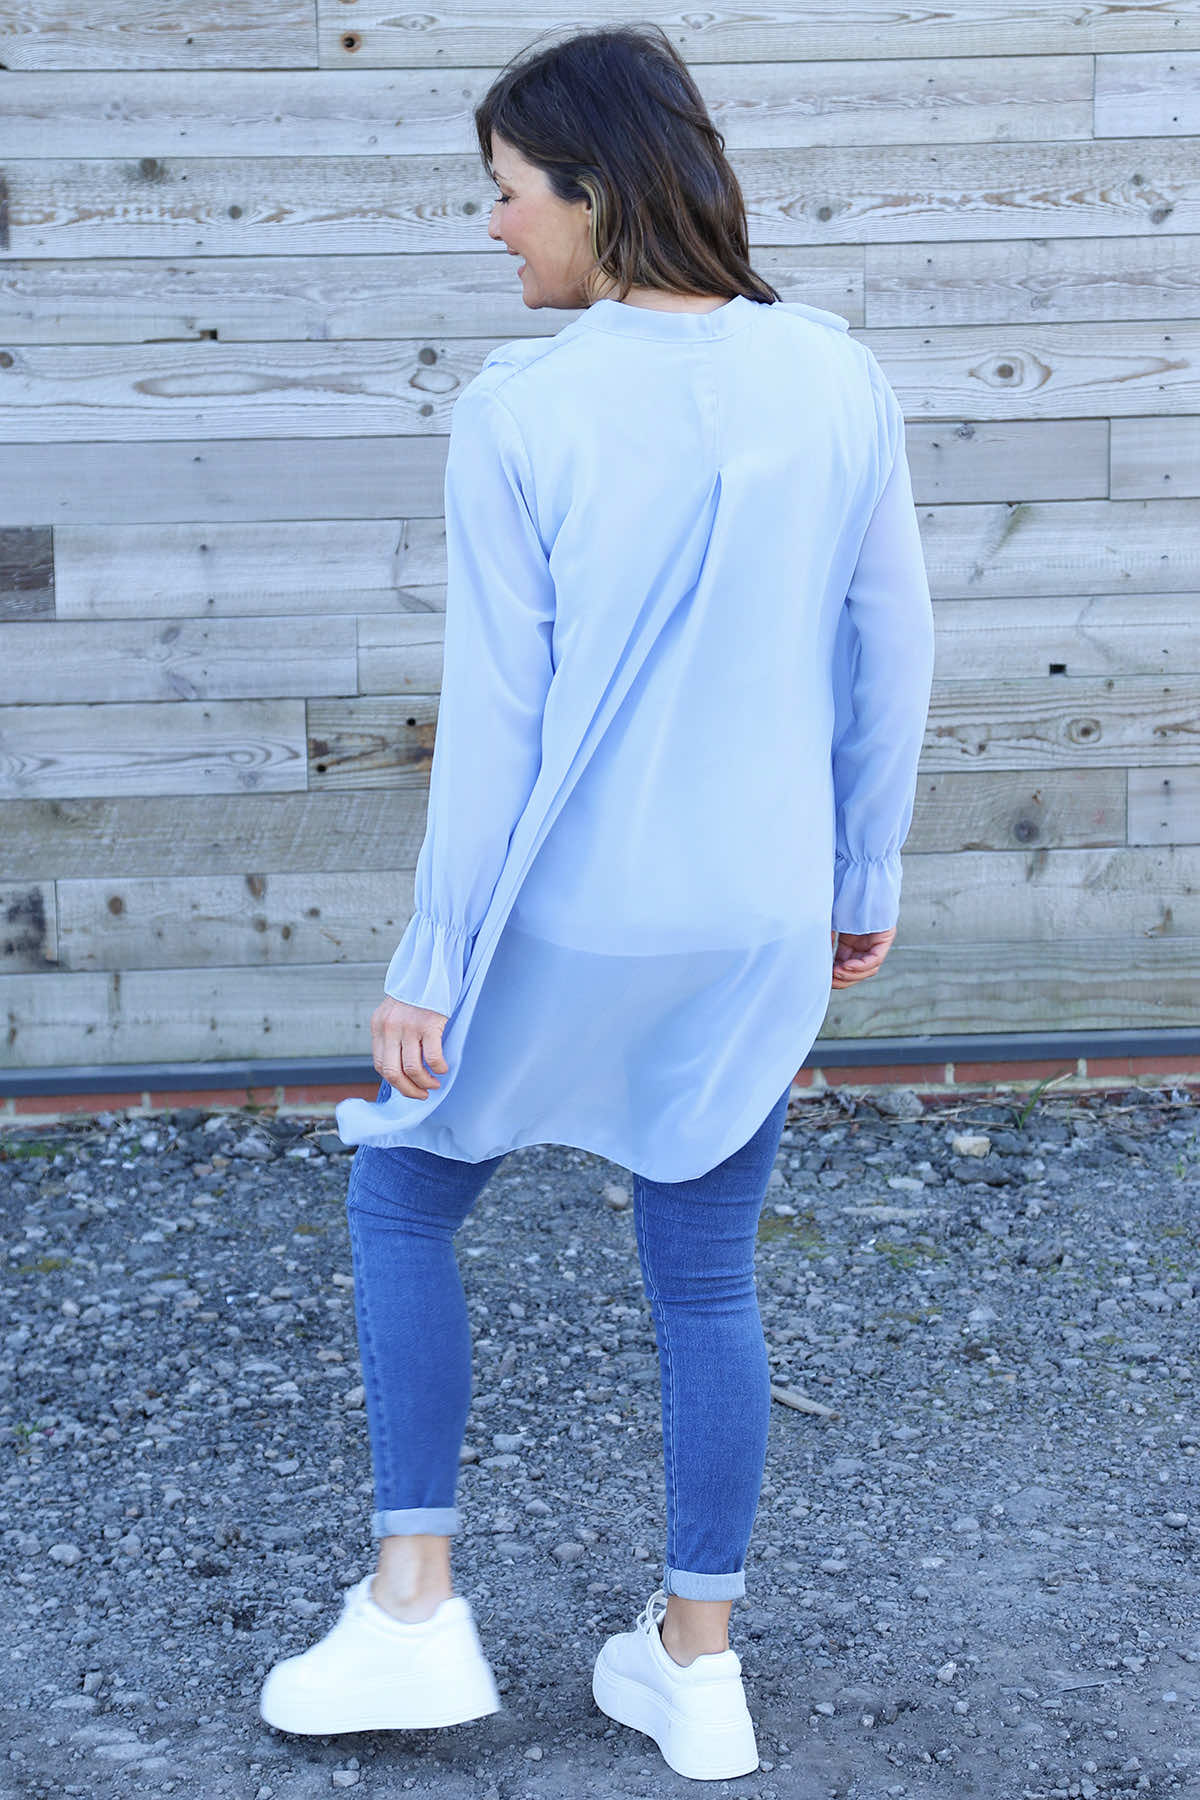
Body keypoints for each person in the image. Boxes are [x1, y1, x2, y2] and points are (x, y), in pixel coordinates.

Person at [260, 22, 935, 1782]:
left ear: (595, 188)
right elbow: (891, 646)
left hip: (567, 912)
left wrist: (431, 960)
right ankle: (698, 1666)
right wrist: (860, 874)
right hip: (758, 913)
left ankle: (415, 1608)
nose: (493, 226)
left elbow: (500, 714)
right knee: (704, 1273)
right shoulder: (837, 374)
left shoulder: (524, 406)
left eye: (506, 192)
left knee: (404, 1194)